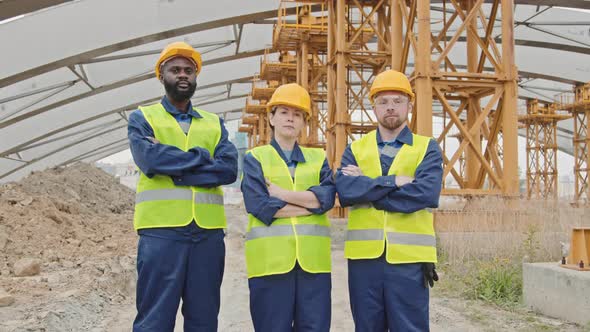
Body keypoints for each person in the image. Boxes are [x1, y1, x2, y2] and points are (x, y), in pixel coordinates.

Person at [127, 41, 238, 332]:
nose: (183, 74)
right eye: (175, 70)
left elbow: (227, 170)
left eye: (189, 70)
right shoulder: (143, 118)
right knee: (155, 319)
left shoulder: (214, 123)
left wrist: (176, 169)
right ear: (161, 76)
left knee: (203, 319)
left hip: (207, 236)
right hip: (161, 233)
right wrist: (204, 158)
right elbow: (149, 160)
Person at [335, 70, 442, 331]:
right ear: (374, 107)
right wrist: (392, 182)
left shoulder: (426, 147)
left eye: (397, 101)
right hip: (364, 262)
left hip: (409, 261)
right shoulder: (355, 149)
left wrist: (368, 188)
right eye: (383, 102)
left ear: (409, 104)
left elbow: (425, 195)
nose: (390, 107)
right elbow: (347, 193)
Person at [241, 83, 336, 332]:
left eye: (297, 115)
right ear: (271, 117)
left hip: (313, 267)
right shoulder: (255, 158)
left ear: (304, 122)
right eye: (284, 112)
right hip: (270, 265)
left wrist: (282, 195)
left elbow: (327, 199)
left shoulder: (318, 159)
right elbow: (260, 206)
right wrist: (310, 204)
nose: (290, 119)